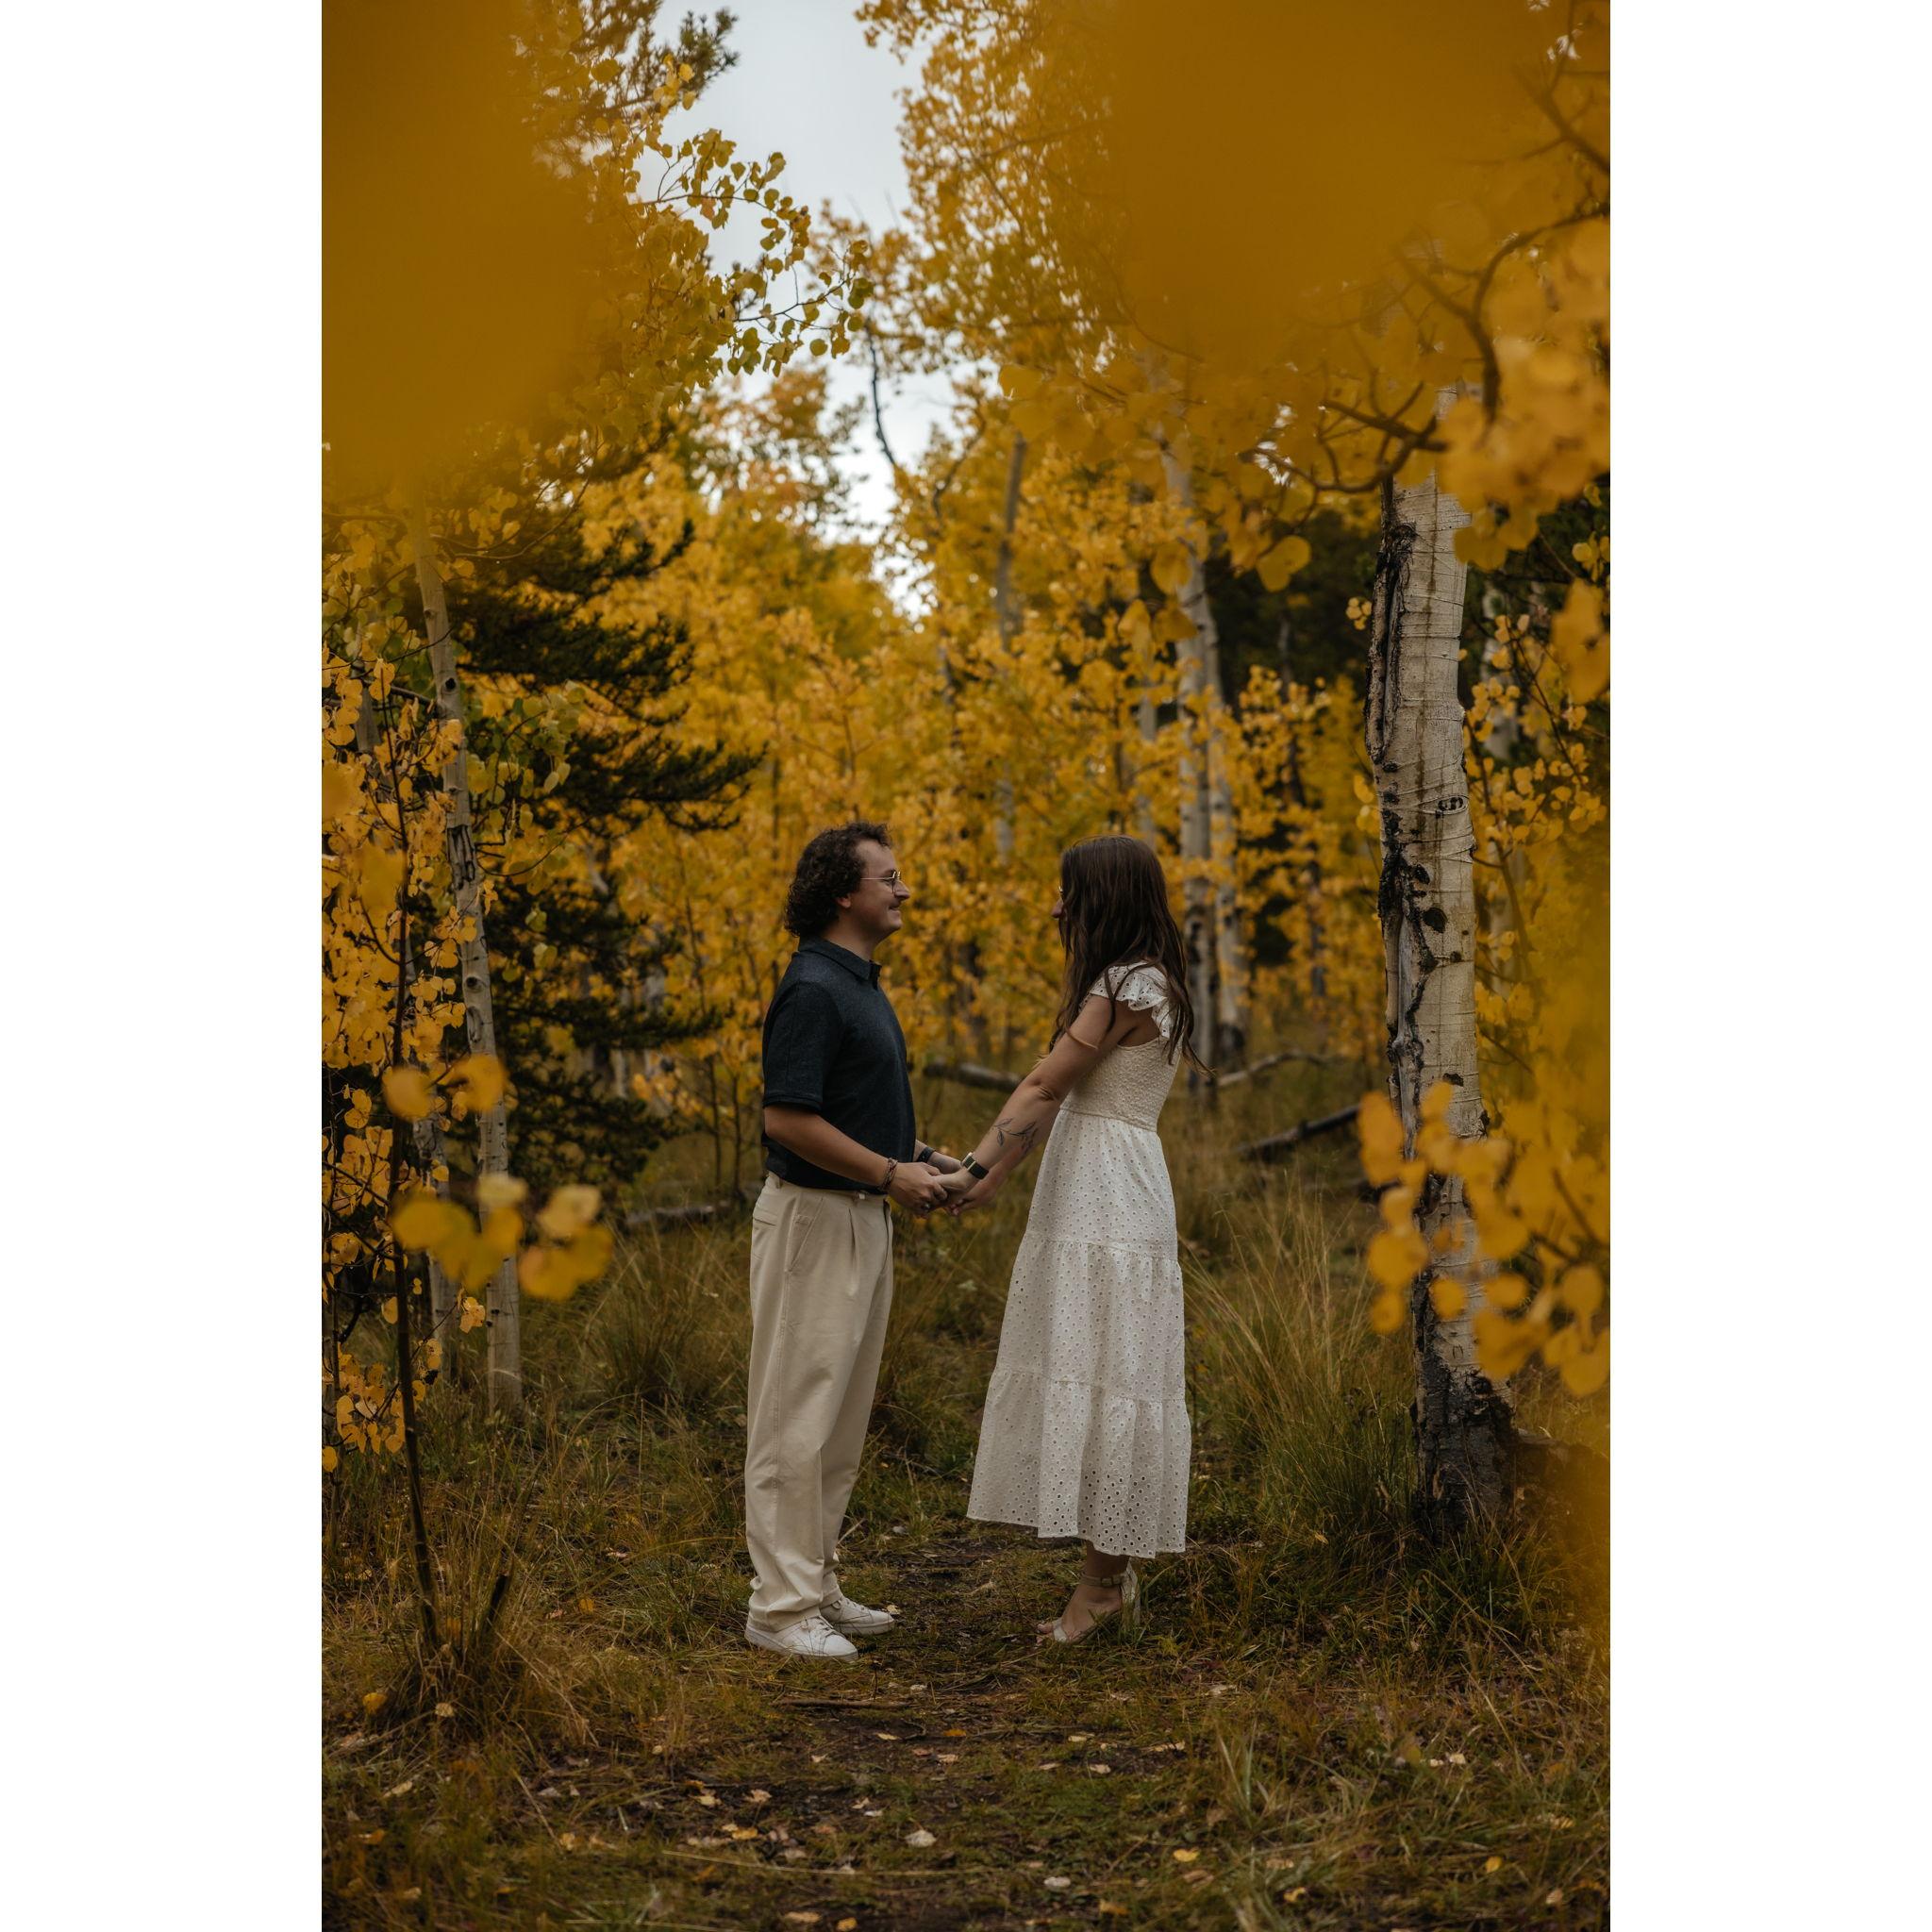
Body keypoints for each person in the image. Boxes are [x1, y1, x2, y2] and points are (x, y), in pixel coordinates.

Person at [949, 835, 1198, 1642]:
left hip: (1110, 1193)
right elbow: (1055, 1097)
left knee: (1113, 1370)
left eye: (1069, 894)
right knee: (1100, 1366)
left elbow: (1044, 1082)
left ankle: (1100, 1586)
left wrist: (968, 1169)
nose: (1058, 909)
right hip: (1095, 1180)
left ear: (1105, 899)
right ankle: (1105, 1574)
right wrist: (991, 1178)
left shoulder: (1126, 983)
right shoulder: (1138, 979)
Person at [744, 820, 963, 1659]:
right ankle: (777, 1609)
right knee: (795, 1416)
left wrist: (920, 1159)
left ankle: (814, 1579)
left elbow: (844, 1106)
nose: (903, 890)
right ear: (845, 891)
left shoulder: (859, 984)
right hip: (813, 1220)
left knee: (837, 1420)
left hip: (858, 1216)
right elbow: (787, 1118)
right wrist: (886, 1173)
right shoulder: (813, 987)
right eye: (890, 877)